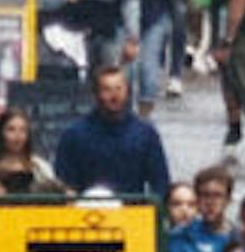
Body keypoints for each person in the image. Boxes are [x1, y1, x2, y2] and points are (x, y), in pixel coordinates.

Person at [50, 56, 170, 206]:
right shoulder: (74, 135)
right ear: (96, 93)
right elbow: (64, 184)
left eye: (119, 88)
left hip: (132, 215)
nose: (114, 96)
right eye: (107, 90)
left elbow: (160, 183)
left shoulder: (146, 134)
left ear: (127, 91)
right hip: (85, 214)